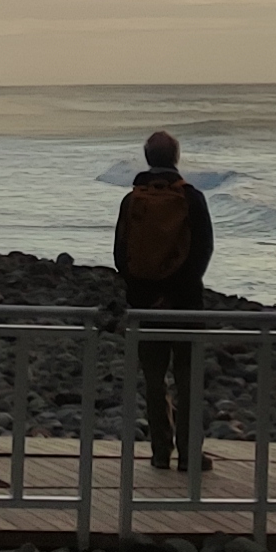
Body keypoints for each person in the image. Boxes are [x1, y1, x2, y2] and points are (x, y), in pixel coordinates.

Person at [112, 131, 214, 474]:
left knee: (154, 379)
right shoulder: (191, 198)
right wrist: (178, 291)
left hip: (144, 303)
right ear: (177, 157)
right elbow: (202, 250)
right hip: (185, 303)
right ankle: (188, 454)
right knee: (187, 379)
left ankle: (159, 450)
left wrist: (145, 292)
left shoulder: (132, 200)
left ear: (146, 157)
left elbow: (121, 253)